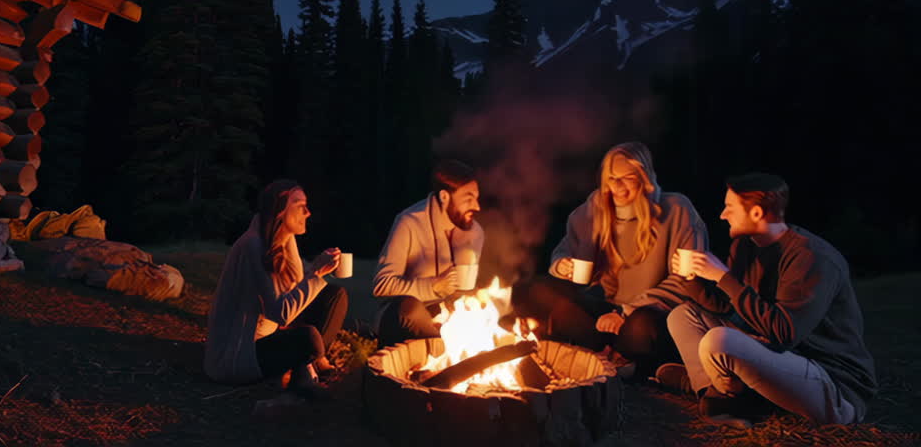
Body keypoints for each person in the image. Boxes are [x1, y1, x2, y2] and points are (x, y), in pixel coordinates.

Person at [657, 173, 876, 427]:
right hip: (777, 357)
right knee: (683, 315)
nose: (722, 215)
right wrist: (690, 277)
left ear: (757, 213)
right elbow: (726, 306)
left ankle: (717, 391)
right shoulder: (745, 247)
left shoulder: (811, 258)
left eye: (729, 208)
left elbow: (784, 332)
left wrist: (723, 276)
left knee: (719, 341)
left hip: (831, 382)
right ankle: (713, 394)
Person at [512, 142, 708, 378]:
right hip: (602, 312)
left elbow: (686, 281)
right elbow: (565, 249)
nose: (617, 186)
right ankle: (611, 355)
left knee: (642, 327)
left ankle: (618, 356)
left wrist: (627, 311)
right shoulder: (597, 206)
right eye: (612, 178)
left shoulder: (677, 210)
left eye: (627, 178)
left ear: (644, 178)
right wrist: (563, 264)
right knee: (537, 289)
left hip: (649, 311)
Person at [204, 179, 348, 398]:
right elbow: (281, 314)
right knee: (307, 337)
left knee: (334, 296)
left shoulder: (284, 239)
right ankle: (305, 366)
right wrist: (316, 274)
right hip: (239, 356)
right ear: (280, 211)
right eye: (300, 206)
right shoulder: (253, 245)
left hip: (269, 334)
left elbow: (294, 288)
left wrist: (319, 269)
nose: (308, 212)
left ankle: (308, 363)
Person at [372, 158, 484, 345]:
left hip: (447, 315)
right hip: (404, 316)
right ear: (445, 197)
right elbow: (382, 285)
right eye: (468, 199)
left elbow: (466, 288)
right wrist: (432, 287)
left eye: (477, 198)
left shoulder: (475, 232)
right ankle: (444, 349)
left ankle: (452, 349)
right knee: (410, 309)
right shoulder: (409, 223)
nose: (477, 207)